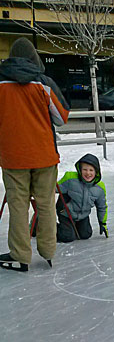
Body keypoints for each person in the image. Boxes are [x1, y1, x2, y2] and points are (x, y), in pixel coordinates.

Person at [0, 37, 69, 272]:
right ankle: (48, 251)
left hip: (13, 156)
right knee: (46, 203)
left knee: (18, 205)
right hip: (44, 155)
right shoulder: (44, 83)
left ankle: (20, 255)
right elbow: (62, 118)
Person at [56, 153, 108, 242]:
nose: (88, 173)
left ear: (96, 172)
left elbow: (102, 207)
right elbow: (56, 188)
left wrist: (102, 223)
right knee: (67, 237)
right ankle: (43, 225)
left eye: (91, 170)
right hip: (66, 213)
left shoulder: (99, 188)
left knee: (85, 234)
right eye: (85, 170)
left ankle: (73, 227)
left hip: (82, 215)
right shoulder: (70, 179)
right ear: (80, 170)